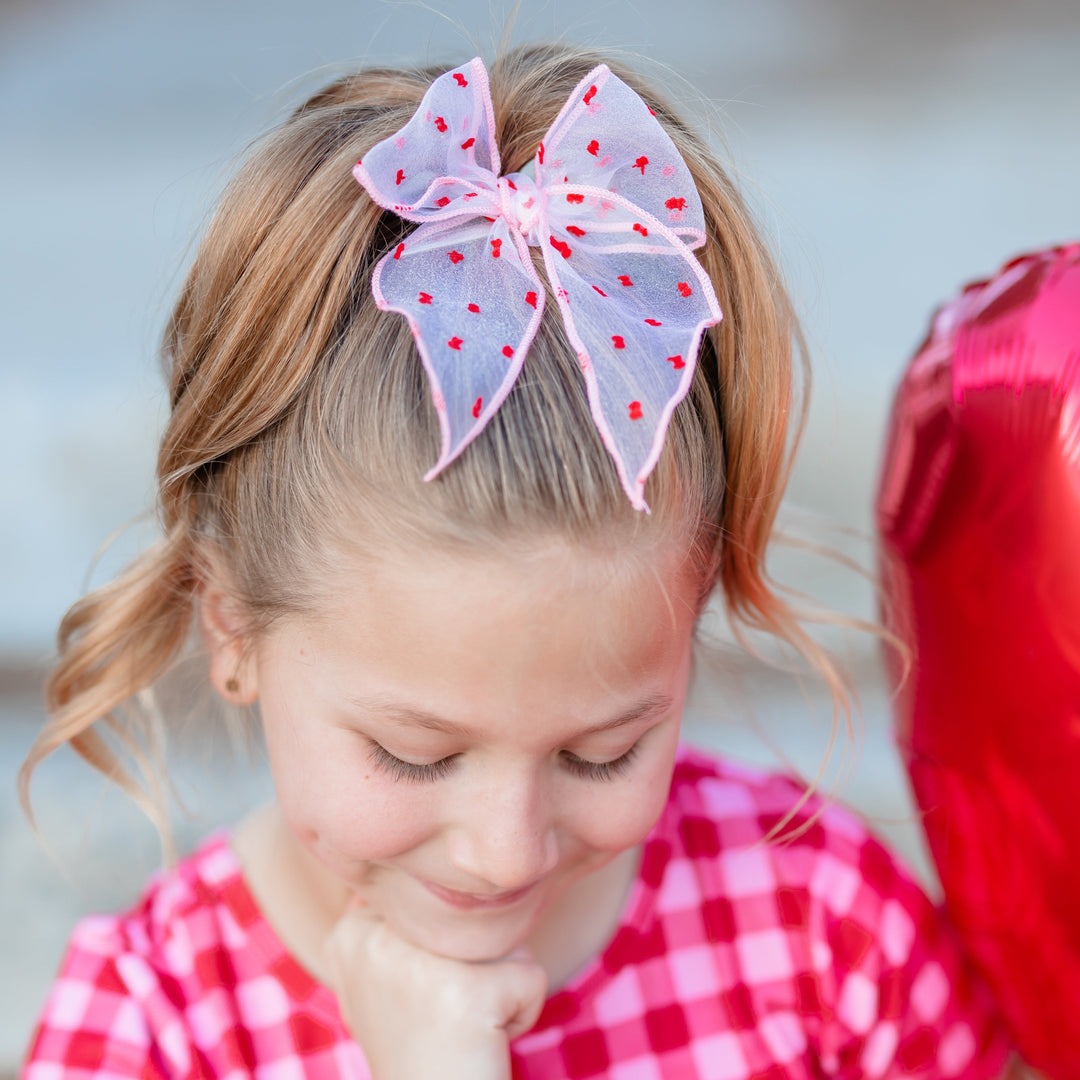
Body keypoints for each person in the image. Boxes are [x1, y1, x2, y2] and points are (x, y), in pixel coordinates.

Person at [19, 42, 1012, 1080]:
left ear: (695, 610)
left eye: (602, 754)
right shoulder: (151, 1028)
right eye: (417, 755)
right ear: (228, 624)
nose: (507, 852)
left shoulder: (820, 934)